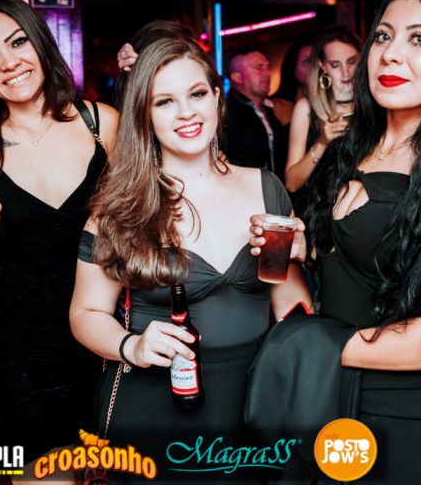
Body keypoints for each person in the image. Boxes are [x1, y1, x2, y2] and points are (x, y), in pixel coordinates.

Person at [70, 36, 310, 481]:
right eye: (165, 101)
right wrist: (131, 346)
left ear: (217, 97)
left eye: (197, 94)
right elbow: (85, 313)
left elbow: (290, 305)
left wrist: (300, 256)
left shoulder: (266, 187)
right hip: (155, 409)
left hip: (254, 403)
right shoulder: (121, 208)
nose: (186, 112)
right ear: (144, 114)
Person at [293, 0, 421, 483]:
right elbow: (355, 267)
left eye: (419, 39)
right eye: (383, 36)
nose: (390, 54)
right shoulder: (350, 149)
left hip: (406, 409)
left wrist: (311, 347)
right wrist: (304, 249)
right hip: (331, 393)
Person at [0, 0, 119, 463]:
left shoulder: (102, 124)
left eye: (18, 42)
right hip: (16, 352)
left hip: (107, 338)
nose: (9, 62)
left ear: (41, 43)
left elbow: (146, 215)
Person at [285, 28, 361, 194]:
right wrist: (322, 142)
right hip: (322, 206)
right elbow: (291, 183)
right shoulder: (306, 108)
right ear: (322, 65)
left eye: (351, 62)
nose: (345, 72)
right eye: (335, 65)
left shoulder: (373, 105)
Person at [223, 49, 287, 179]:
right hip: (245, 188)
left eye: (268, 67)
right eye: (259, 68)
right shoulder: (226, 111)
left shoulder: (271, 107)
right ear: (237, 77)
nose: (268, 73)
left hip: (275, 188)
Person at [270, 37, 313, 126]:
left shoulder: (330, 101)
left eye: (317, 60)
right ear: (292, 67)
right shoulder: (276, 105)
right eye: (307, 61)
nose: (314, 66)